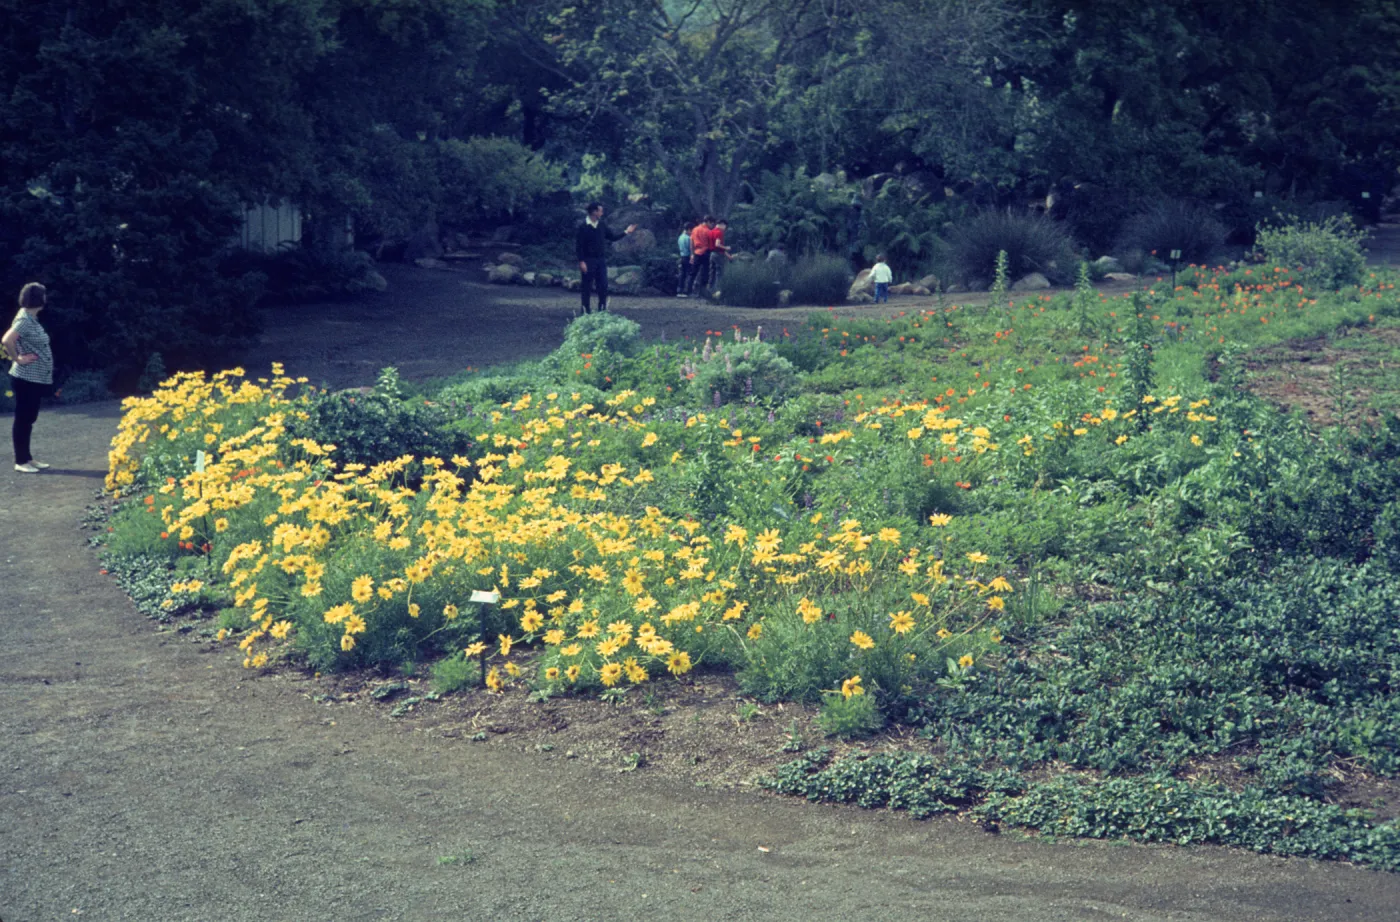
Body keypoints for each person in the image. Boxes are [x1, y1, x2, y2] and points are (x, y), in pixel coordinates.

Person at [3, 282, 54, 473]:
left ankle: (27, 458)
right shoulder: (24, 319)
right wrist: (18, 358)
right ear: (38, 299)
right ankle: (20, 462)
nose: (46, 298)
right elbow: (7, 340)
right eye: (44, 295)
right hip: (26, 379)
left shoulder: (30, 318)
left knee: (29, 418)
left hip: (34, 379)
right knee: (23, 419)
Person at [575, 202, 637, 314]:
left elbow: (612, 237)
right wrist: (581, 261)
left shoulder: (602, 225)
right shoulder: (583, 227)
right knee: (586, 287)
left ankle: (602, 310)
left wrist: (626, 232)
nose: (602, 213)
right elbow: (579, 246)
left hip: (601, 260)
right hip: (588, 260)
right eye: (600, 210)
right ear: (594, 212)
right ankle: (585, 311)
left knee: (603, 285)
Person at [686, 216, 717, 296]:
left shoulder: (695, 229)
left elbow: (691, 243)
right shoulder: (708, 231)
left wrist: (692, 254)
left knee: (693, 273)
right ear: (708, 222)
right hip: (706, 252)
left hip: (696, 253)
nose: (712, 225)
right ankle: (702, 292)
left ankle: (688, 291)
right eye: (712, 223)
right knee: (705, 273)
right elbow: (711, 245)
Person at [675, 223, 694, 298]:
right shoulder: (688, 238)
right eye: (691, 230)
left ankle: (679, 290)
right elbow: (691, 249)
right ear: (689, 229)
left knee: (682, 274)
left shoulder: (680, 237)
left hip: (682, 256)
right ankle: (687, 291)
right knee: (689, 274)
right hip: (687, 257)